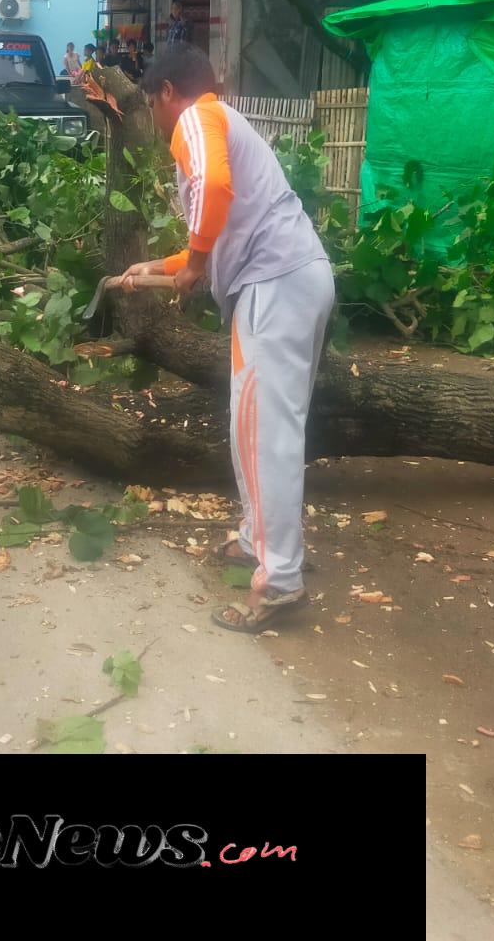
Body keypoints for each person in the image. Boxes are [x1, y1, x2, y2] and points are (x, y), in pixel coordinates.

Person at [119, 43, 334, 633]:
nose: (155, 119)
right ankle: (255, 539)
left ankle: (280, 582)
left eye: (150, 102)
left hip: (276, 286)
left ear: (167, 92)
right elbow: (217, 231)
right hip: (286, 280)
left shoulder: (196, 116)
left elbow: (212, 191)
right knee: (255, 429)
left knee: (265, 436)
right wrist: (158, 269)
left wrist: (190, 265)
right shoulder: (221, 120)